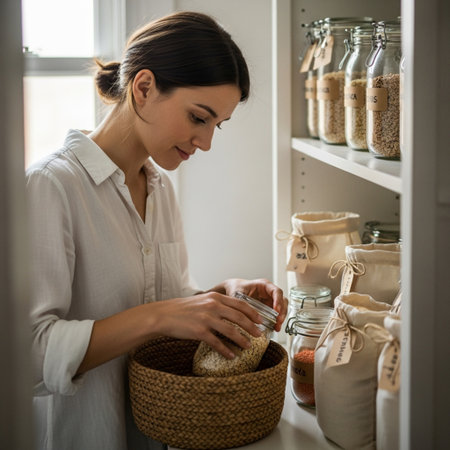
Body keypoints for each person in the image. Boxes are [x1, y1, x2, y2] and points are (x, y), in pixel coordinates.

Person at [27, 11, 287, 450]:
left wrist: (217, 298)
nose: (205, 143)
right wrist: (161, 316)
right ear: (144, 88)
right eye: (198, 117)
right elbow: (27, 357)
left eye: (216, 126)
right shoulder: (50, 185)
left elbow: (161, 302)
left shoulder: (159, 187)